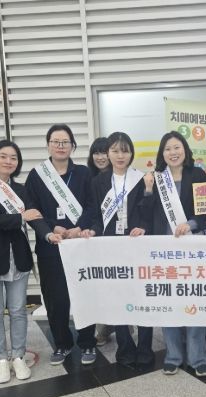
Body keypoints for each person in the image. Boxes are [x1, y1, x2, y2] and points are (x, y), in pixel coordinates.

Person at [0, 140, 62, 384]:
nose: (8, 161)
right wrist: (19, 217)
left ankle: (18, 356)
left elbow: (35, 216)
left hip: (17, 259)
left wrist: (48, 234)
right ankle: (0, 359)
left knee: (19, 311)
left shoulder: (20, 189)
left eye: (13, 157)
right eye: (3, 156)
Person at [79, 132, 154, 368]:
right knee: (119, 299)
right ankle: (125, 348)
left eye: (125, 150)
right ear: (108, 154)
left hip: (137, 245)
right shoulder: (98, 182)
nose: (120, 155)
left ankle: (145, 347)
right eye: (115, 151)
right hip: (111, 248)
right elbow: (97, 216)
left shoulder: (140, 179)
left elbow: (149, 213)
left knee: (143, 297)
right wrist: (92, 230)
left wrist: (144, 223)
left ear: (131, 153)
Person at [25, 124, 98, 366]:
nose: (60, 146)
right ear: (48, 145)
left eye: (65, 142)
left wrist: (79, 227)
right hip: (51, 247)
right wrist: (52, 228)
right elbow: (32, 211)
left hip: (80, 244)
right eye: (55, 141)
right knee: (56, 299)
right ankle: (62, 344)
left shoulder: (84, 173)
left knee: (84, 295)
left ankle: (87, 342)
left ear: (72, 146)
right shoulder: (37, 175)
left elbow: (93, 206)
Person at [142, 131, 206, 377]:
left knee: (194, 302)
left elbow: (205, 212)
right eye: (168, 148)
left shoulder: (198, 174)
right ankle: (173, 356)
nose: (173, 152)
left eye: (177, 147)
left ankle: (198, 358)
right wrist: (148, 189)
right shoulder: (156, 178)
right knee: (168, 304)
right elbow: (146, 214)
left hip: (193, 249)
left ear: (185, 149)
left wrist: (190, 225)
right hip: (164, 251)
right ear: (162, 153)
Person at [86, 137, 114, 345]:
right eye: (96, 153)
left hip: (115, 239)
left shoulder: (122, 177)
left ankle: (116, 325)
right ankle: (104, 327)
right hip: (94, 237)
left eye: (104, 152)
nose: (101, 157)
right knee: (100, 286)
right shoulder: (89, 177)